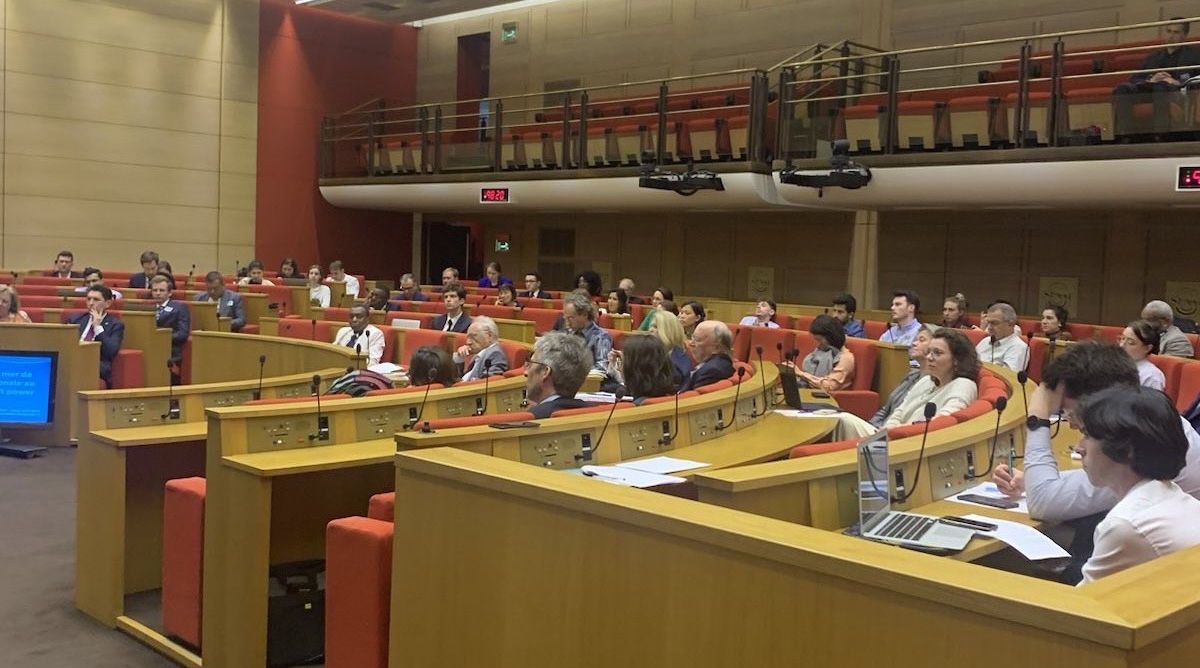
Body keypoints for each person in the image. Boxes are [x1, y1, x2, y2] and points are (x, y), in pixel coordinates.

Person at [992, 343, 1200, 586]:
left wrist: (1038, 417)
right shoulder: (1156, 437)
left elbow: (1044, 502)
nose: (1075, 436)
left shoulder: (1125, 521)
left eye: (1069, 413)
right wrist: (1031, 482)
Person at [1071, 387, 1200, 584]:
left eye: (1088, 436)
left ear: (1126, 449)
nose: (1079, 447)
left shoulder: (1126, 524)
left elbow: (1080, 607)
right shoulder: (1175, 498)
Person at [1112, 18, 1200, 139]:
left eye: (1176, 32)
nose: (1171, 36)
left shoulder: (1195, 55)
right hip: (1150, 89)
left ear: (1185, 35)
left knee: (1161, 86)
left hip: (1177, 92)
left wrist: (1177, 82)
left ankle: (1160, 135)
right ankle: (1126, 135)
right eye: (1168, 31)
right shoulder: (1153, 57)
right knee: (1123, 89)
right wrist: (1151, 79)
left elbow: (1197, 79)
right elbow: (1134, 79)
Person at [885, 329, 979, 427]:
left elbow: (942, 422)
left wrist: (895, 431)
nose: (929, 357)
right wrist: (886, 431)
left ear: (956, 359)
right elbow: (899, 413)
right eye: (929, 351)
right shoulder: (926, 380)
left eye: (937, 353)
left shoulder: (964, 385)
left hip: (917, 438)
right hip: (893, 435)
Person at [870, 325, 934, 427]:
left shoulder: (933, 383)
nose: (913, 343)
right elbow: (886, 408)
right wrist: (871, 426)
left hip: (894, 432)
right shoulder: (911, 375)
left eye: (921, 340)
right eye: (914, 340)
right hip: (879, 428)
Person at [66, 285, 124, 389]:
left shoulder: (115, 325)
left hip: (97, 365)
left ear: (108, 303)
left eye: (96, 299)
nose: (91, 303)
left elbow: (111, 351)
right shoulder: (75, 319)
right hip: (73, 360)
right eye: (88, 299)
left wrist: (97, 327)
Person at [526, 331, 593, 419]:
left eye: (531, 364)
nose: (525, 372)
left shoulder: (532, 419)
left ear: (545, 372)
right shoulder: (593, 413)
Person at [607, 334, 677, 403]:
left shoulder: (636, 407)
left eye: (621, 361)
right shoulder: (674, 400)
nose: (619, 368)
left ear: (634, 369)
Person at [797, 314, 855, 392]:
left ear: (831, 337)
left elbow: (829, 386)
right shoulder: (822, 350)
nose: (818, 344)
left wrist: (801, 374)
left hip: (832, 400)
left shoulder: (845, 358)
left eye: (819, 340)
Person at [151, 275, 190, 384]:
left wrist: (161, 338)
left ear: (169, 293)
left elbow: (183, 333)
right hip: (150, 350)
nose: (158, 293)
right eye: (155, 290)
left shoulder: (179, 308)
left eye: (161, 290)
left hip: (171, 351)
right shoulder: (145, 307)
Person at [561, 292, 612, 373]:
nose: (567, 322)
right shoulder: (569, 333)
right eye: (565, 318)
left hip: (592, 382)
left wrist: (577, 373)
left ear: (584, 315)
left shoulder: (601, 336)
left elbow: (602, 367)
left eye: (570, 318)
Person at [680, 320, 734, 392]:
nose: (691, 344)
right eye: (692, 338)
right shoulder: (718, 363)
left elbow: (691, 400)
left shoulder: (713, 371)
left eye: (698, 340)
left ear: (716, 348)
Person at [975, 302, 1029, 371]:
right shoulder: (985, 341)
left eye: (994, 323)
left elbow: (1008, 376)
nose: (989, 327)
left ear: (1010, 324)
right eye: (988, 323)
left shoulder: (1018, 347)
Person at [454, 316, 509, 381]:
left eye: (473, 337)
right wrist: (460, 357)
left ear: (489, 336)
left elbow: (486, 384)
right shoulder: (481, 352)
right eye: (468, 337)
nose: (468, 342)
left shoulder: (495, 354)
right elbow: (459, 377)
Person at [1119, 320, 1166, 391]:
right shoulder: (1115, 366)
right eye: (1122, 339)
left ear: (1147, 348)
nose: (1121, 345)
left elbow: (1151, 401)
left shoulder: (1151, 376)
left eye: (1130, 342)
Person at [648, 310, 692, 385]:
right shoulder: (657, 352)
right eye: (651, 326)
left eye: (655, 327)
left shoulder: (677, 361)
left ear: (668, 331)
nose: (650, 330)